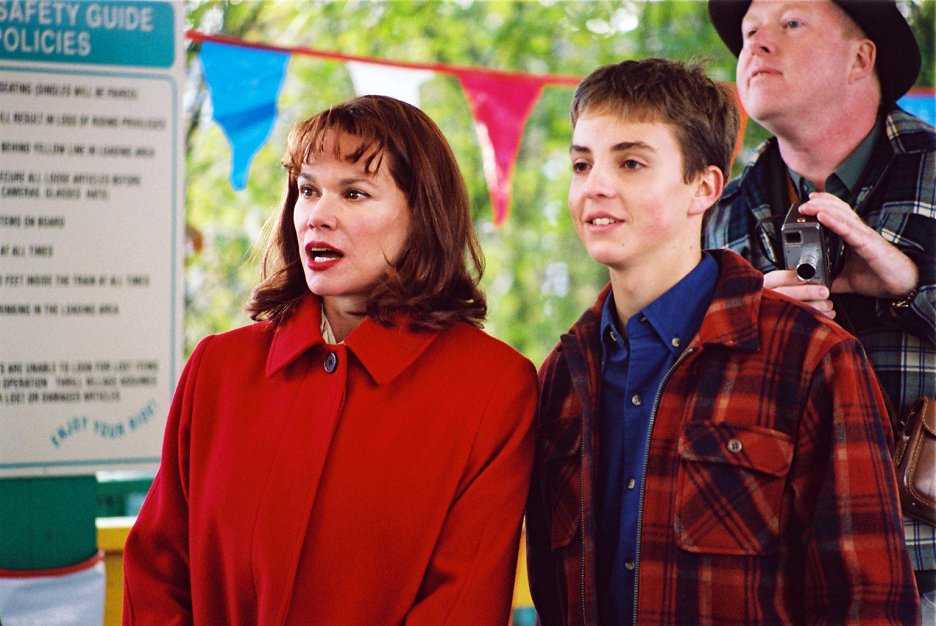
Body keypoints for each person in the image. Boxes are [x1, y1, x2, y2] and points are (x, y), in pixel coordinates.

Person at [525, 57, 920, 625]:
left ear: (704, 187)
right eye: (581, 164)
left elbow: (870, 604)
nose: (596, 187)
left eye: (630, 162)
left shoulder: (812, 357)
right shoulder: (562, 374)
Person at [122, 95, 538, 624]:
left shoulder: (493, 387)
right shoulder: (217, 370)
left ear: (423, 215)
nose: (318, 215)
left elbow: (462, 605)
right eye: (308, 190)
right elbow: (156, 578)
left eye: (355, 193)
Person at [703, 0, 936, 619]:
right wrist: (748, 331)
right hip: (769, 575)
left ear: (861, 58)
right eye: (749, 32)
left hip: (927, 569)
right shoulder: (715, 214)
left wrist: (910, 288)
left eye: (791, 24)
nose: (756, 45)